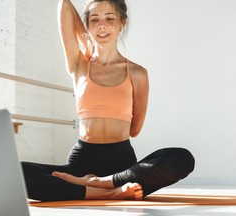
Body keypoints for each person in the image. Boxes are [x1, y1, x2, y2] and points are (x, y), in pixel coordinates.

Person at [21, 0, 195, 201]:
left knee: (182, 158)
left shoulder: (137, 73)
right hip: (81, 164)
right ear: (87, 25)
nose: (101, 25)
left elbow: (134, 130)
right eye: (94, 20)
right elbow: (64, 6)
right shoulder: (79, 65)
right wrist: (87, 37)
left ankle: (101, 184)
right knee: (16, 172)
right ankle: (109, 192)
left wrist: (109, 178)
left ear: (122, 22)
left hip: (122, 168)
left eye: (109, 18)